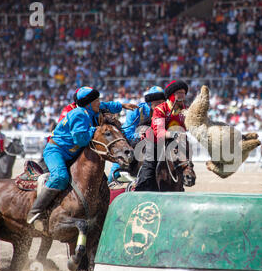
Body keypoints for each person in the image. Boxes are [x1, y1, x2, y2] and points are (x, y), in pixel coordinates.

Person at [26, 86, 136, 229]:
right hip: (57, 151)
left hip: (74, 152)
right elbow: (81, 140)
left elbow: (107, 106)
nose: (99, 102)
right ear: (89, 103)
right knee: (60, 177)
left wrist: (122, 106)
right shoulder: (79, 114)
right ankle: (36, 211)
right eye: (96, 100)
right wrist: (97, 130)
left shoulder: (92, 108)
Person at [134, 80, 188, 191]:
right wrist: (175, 134)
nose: (182, 95)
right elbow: (159, 133)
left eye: (184, 93)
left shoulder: (184, 110)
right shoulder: (160, 109)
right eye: (179, 93)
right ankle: (141, 189)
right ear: (171, 95)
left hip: (173, 142)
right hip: (155, 143)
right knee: (150, 166)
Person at [108, 86, 166, 184]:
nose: (160, 105)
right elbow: (127, 134)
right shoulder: (136, 111)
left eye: (162, 102)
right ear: (149, 102)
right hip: (134, 143)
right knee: (117, 167)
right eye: (157, 102)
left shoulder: (166, 111)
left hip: (158, 143)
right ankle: (111, 182)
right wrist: (142, 135)